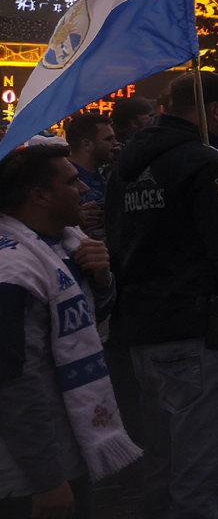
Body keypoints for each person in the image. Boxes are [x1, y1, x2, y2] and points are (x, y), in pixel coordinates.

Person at [105, 72, 218, 518]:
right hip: (203, 338)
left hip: (147, 337)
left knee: (164, 470)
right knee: (205, 478)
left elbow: (117, 249)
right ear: (214, 110)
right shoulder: (206, 164)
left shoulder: (128, 169)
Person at [0, 145, 139, 519]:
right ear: (40, 196)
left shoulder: (66, 243)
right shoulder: (11, 270)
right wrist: (46, 480)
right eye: (73, 181)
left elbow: (90, 322)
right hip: (24, 474)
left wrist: (103, 278)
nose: (86, 191)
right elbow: (14, 383)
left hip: (67, 446)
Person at [64, 114, 118, 242]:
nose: (114, 144)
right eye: (108, 139)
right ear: (87, 144)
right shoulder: (61, 181)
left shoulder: (110, 175)